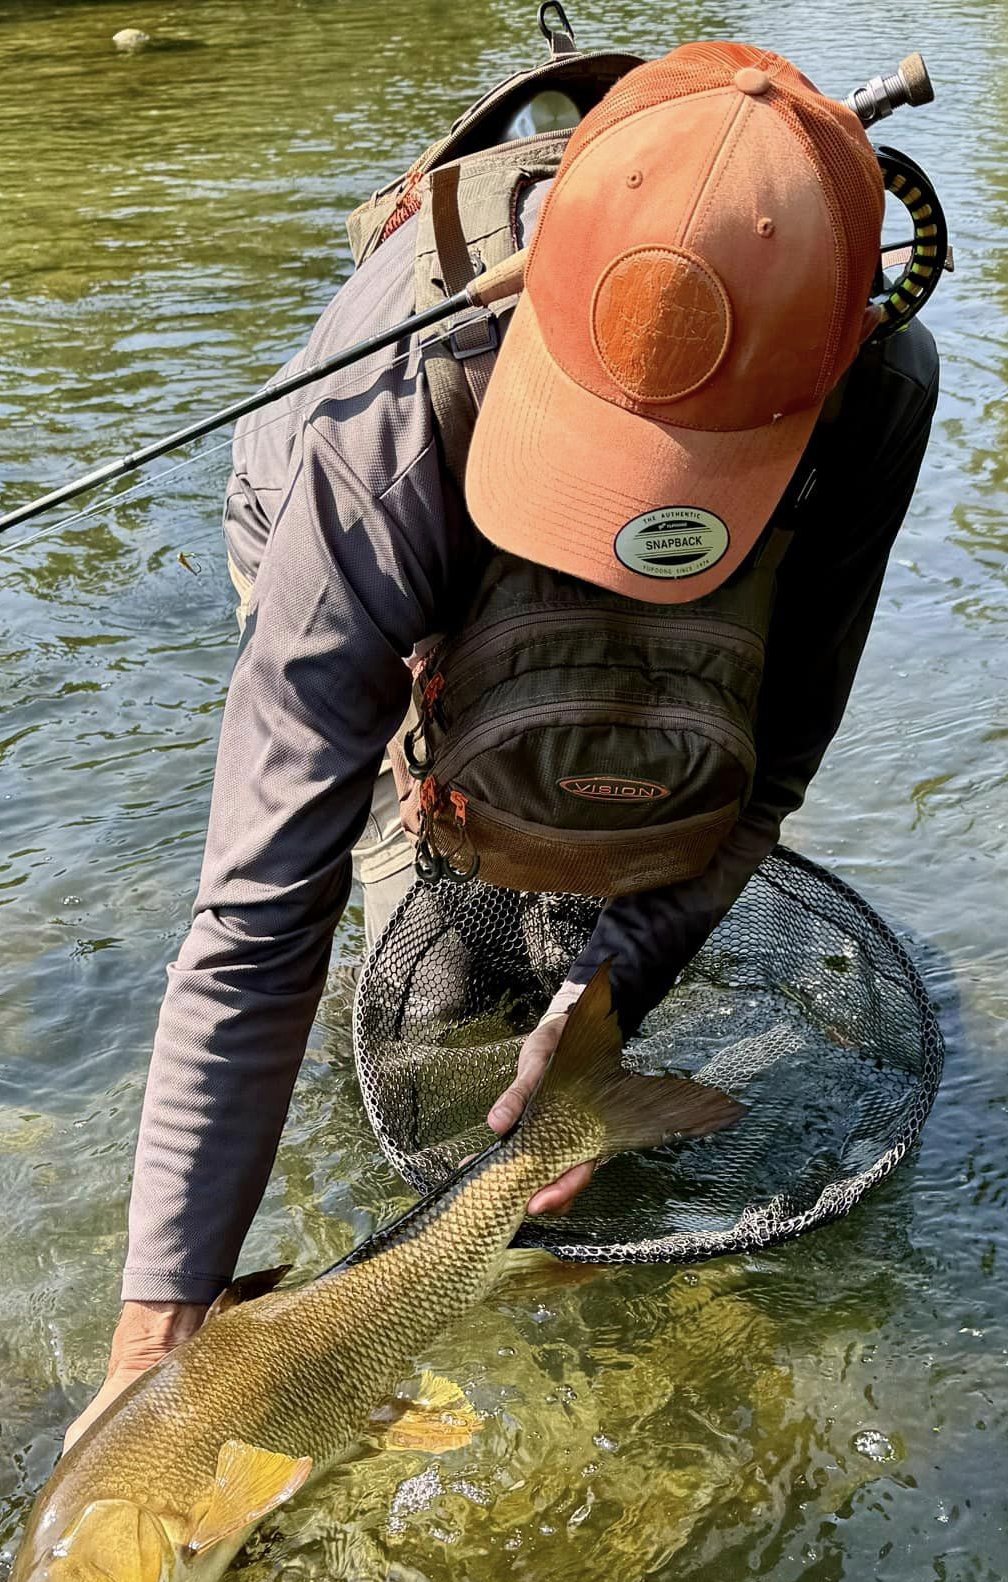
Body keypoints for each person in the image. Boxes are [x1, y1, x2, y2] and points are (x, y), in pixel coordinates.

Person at [65, 39, 940, 1449]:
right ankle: (469, 882)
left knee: (605, 890)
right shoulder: (382, 426)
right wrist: (157, 1350)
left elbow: (766, 767)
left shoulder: (879, 389)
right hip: (367, 528)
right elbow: (257, 909)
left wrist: (612, 990)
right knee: (428, 982)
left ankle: (562, 985)